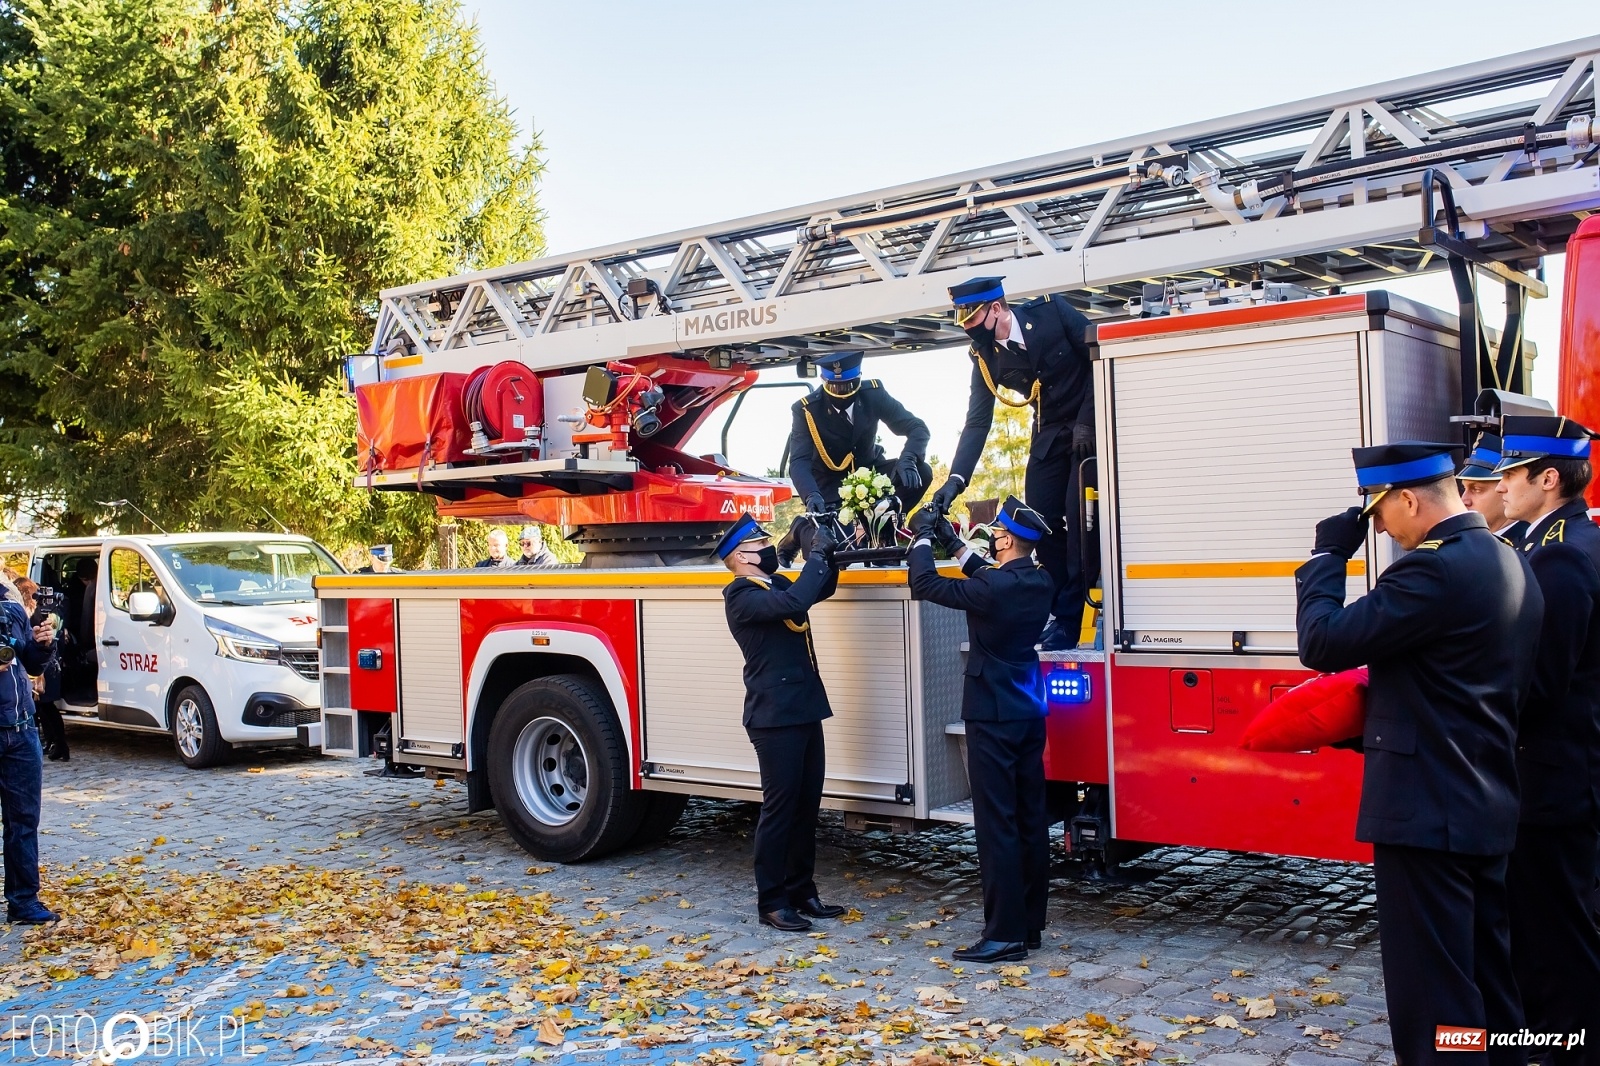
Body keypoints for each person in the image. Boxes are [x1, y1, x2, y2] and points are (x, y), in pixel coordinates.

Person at [1296, 442, 1541, 1066]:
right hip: (1484, 799)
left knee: (1434, 995)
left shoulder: (1432, 568)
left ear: (1409, 499)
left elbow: (1323, 643)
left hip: (1427, 810)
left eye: (1380, 511)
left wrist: (1327, 558)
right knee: (1488, 982)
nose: (1377, 525)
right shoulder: (1507, 558)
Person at [907, 496, 1055, 963]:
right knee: (1030, 819)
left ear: (1007, 539)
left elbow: (923, 582)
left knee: (997, 826)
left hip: (991, 716)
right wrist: (953, 539)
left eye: (997, 533)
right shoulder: (1038, 580)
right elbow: (983, 571)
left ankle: (1004, 934)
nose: (993, 538)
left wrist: (923, 538)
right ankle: (1029, 926)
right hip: (1028, 712)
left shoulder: (993, 589)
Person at [1492, 415, 1600, 1053]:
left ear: (1548, 478)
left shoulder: (1560, 554)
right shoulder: (1545, 543)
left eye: (1512, 473)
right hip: (1548, 773)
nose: (1501, 486)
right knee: (1540, 928)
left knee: (1556, 935)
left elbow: (1543, 681)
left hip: (1551, 778)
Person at [930, 277, 1094, 651]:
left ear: (997, 309)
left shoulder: (1052, 311)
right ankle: (1054, 610)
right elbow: (977, 422)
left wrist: (1088, 420)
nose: (969, 329)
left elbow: (1097, 360)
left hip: (1090, 426)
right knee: (1038, 522)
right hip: (1050, 433)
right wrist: (955, 482)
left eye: (972, 319)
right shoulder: (985, 358)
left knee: (1079, 518)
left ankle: (1071, 618)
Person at [717, 512, 847, 932]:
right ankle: (772, 901)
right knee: (780, 810)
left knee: (807, 806)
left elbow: (818, 588)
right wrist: (816, 558)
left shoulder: (773, 584)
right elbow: (796, 603)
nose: (768, 548)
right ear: (742, 556)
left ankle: (802, 890)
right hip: (774, 717)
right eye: (760, 544)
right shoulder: (740, 594)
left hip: (804, 707)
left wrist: (830, 552)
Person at [779, 350, 931, 563]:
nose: (842, 392)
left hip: (869, 473)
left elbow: (916, 427)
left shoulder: (873, 394)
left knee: (922, 472)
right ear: (824, 382)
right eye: (834, 387)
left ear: (859, 380)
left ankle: (882, 529)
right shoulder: (806, 409)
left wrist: (908, 459)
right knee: (836, 553)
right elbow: (799, 462)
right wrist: (812, 495)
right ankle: (800, 528)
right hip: (829, 484)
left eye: (848, 386)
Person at [0, 571, 60, 924]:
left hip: (21, 731)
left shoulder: (9, 602)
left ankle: (23, 901)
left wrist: (42, 644)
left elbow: (32, 663)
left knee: (23, 821)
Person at [13, 580, 66, 762]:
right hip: (51, 663)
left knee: (45, 707)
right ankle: (55, 743)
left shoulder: (36, 614)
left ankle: (57, 744)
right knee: (45, 707)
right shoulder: (53, 609)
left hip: (45, 666)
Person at [1458, 432, 1529, 543]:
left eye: (1477, 489)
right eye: (1464, 489)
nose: (1464, 500)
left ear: (1505, 489)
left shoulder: (1528, 543)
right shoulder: (1471, 542)